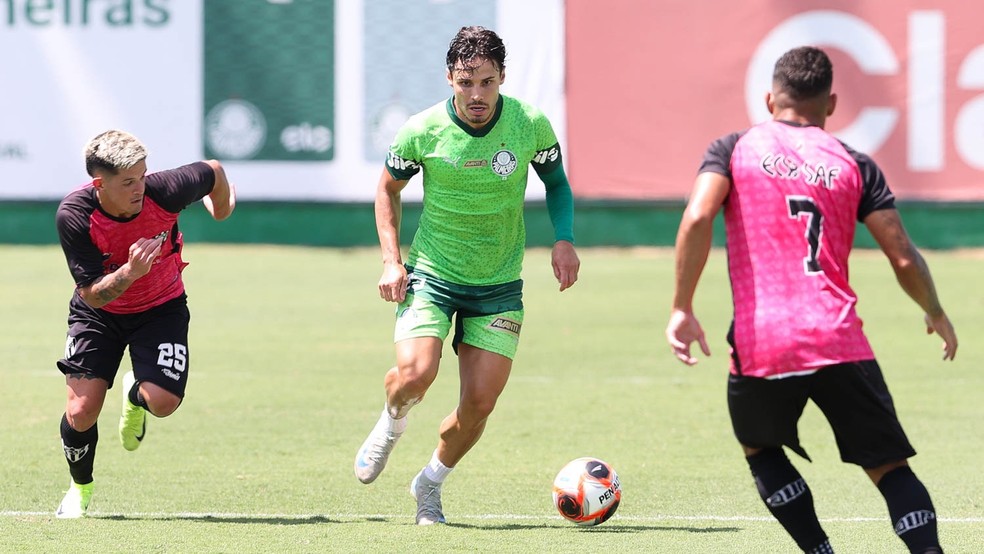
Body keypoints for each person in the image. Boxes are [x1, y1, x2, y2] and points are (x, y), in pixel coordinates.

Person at [665, 46, 957, 553]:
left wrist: (682, 306)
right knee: (888, 466)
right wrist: (934, 310)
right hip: (839, 337)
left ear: (769, 98)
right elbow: (904, 256)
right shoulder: (854, 163)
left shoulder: (734, 148)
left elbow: (696, 218)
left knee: (760, 447)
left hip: (765, 342)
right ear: (832, 104)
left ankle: (819, 550)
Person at [353, 26, 580, 525]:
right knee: (415, 375)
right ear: (449, 79)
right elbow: (386, 192)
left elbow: (557, 182)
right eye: (464, 83)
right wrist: (392, 260)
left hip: (499, 286)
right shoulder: (422, 129)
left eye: (486, 82)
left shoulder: (529, 124)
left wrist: (563, 237)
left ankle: (429, 483)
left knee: (479, 404)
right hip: (433, 275)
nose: (476, 95)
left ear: (502, 77)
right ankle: (391, 424)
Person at [54, 129, 236, 518]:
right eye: (128, 182)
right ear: (99, 184)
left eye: (143, 175)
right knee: (81, 412)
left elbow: (215, 171)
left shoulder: (164, 190)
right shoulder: (75, 215)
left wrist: (222, 211)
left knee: (164, 403)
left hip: (161, 308)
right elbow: (92, 294)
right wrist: (132, 272)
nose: (140, 187)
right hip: (99, 314)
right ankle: (80, 488)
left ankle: (135, 393)